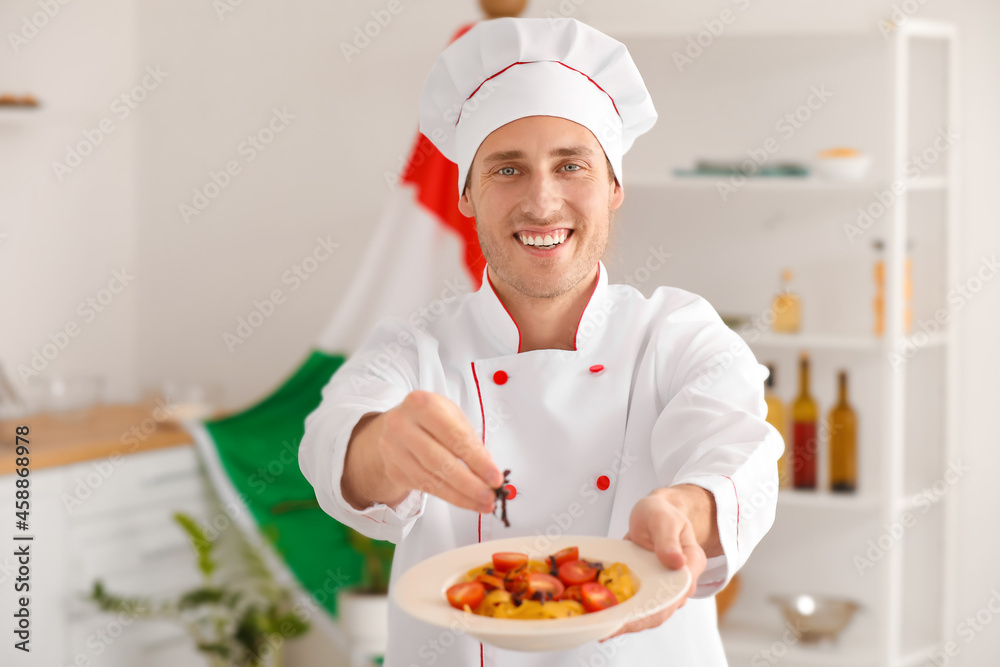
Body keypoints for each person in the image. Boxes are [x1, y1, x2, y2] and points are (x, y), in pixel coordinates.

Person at [300, 17, 782, 667]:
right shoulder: (416, 348)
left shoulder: (677, 333)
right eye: (507, 169)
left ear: (613, 188)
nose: (543, 201)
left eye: (571, 165)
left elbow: (739, 452)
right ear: (467, 194)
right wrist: (382, 446)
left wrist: (684, 507)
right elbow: (332, 442)